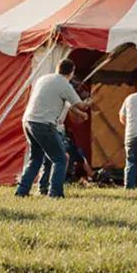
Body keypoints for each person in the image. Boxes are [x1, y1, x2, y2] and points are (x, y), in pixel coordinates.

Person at [16, 59, 91, 199]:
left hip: (28, 121)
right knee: (60, 159)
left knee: (35, 159)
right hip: (44, 124)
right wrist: (88, 103)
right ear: (72, 72)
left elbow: (63, 102)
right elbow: (80, 105)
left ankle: (22, 191)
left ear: (57, 68)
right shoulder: (64, 84)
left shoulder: (43, 79)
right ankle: (55, 193)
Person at [24, 98, 94, 196]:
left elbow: (73, 107)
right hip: (54, 130)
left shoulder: (53, 93)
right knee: (61, 158)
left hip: (51, 128)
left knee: (48, 160)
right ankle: (55, 189)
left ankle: (42, 187)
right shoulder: (63, 89)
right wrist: (86, 107)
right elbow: (77, 106)